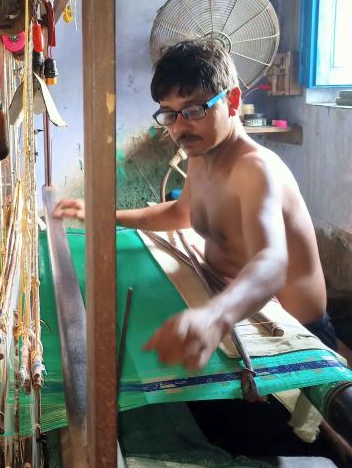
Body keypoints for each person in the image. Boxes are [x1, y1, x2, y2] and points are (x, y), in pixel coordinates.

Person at [53, 39, 335, 372]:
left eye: (194, 110)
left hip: (289, 339)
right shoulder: (202, 155)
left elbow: (271, 262)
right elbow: (180, 213)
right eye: (170, 114)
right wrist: (105, 217)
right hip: (231, 306)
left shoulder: (255, 169)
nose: (180, 127)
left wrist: (215, 317)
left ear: (231, 101)